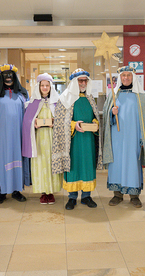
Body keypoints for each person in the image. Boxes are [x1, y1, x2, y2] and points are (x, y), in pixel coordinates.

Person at [52, 68, 102, 210]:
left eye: (85, 80)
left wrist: (95, 123)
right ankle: (72, 197)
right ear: (74, 81)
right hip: (72, 141)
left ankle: (86, 196)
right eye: (80, 80)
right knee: (73, 167)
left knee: (87, 166)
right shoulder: (64, 98)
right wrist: (74, 125)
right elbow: (61, 122)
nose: (83, 83)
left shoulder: (90, 97)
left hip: (88, 139)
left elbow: (94, 115)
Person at [103, 66, 145, 208]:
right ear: (119, 78)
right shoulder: (113, 95)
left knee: (132, 165)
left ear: (133, 77)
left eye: (128, 75)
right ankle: (117, 194)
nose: (126, 78)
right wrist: (111, 112)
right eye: (123, 75)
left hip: (133, 138)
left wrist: (143, 138)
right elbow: (105, 118)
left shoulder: (140, 96)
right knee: (116, 164)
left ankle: (134, 196)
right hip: (116, 138)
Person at [0, 64, 30, 204]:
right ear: (2, 77)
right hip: (1, 136)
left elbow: (28, 114)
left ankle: (16, 190)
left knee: (18, 162)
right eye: (5, 76)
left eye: (10, 75)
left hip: (18, 136)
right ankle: (1, 192)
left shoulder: (22, 93)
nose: (8, 78)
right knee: (2, 163)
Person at [22, 73, 62, 204]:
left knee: (51, 164)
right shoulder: (33, 103)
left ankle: (51, 192)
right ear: (39, 87)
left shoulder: (57, 102)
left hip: (52, 138)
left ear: (51, 87)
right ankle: (43, 193)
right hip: (38, 139)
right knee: (40, 164)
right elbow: (26, 121)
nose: (45, 88)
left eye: (47, 85)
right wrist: (33, 123)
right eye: (42, 85)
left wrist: (55, 122)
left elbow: (62, 120)